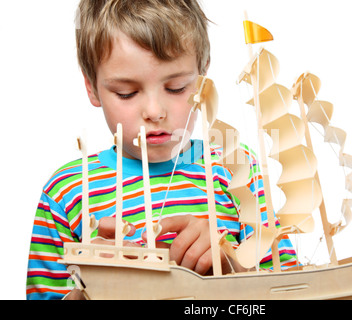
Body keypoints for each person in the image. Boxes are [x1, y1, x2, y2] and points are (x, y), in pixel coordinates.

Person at [26, 0, 298, 300]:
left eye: (177, 87)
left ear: (203, 79)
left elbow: (292, 286)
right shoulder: (66, 193)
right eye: (126, 93)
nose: (155, 111)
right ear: (91, 87)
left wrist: (231, 264)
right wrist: (92, 288)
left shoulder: (235, 166)